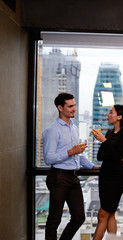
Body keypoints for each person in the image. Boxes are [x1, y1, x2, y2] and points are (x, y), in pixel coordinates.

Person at [42, 93, 100, 240]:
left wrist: (92, 166)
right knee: (54, 219)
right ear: (60, 108)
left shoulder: (73, 128)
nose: (74, 109)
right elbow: (49, 158)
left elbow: (78, 155)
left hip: (73, 177)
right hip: (58, 176)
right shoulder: (53, 130)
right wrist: (70, 151)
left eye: (74, 105)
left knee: (79, 217)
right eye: (70, 106)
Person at [92, 105, 123, 240]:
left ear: (120, 116)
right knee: (110, 214)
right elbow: (100, 156)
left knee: (102, 215)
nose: (108, 115)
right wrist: (115, 154)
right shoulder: (109, 133)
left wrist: (105, 143)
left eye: (111, 112)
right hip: (105, 176)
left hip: (116, 178)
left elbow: (117, 157)